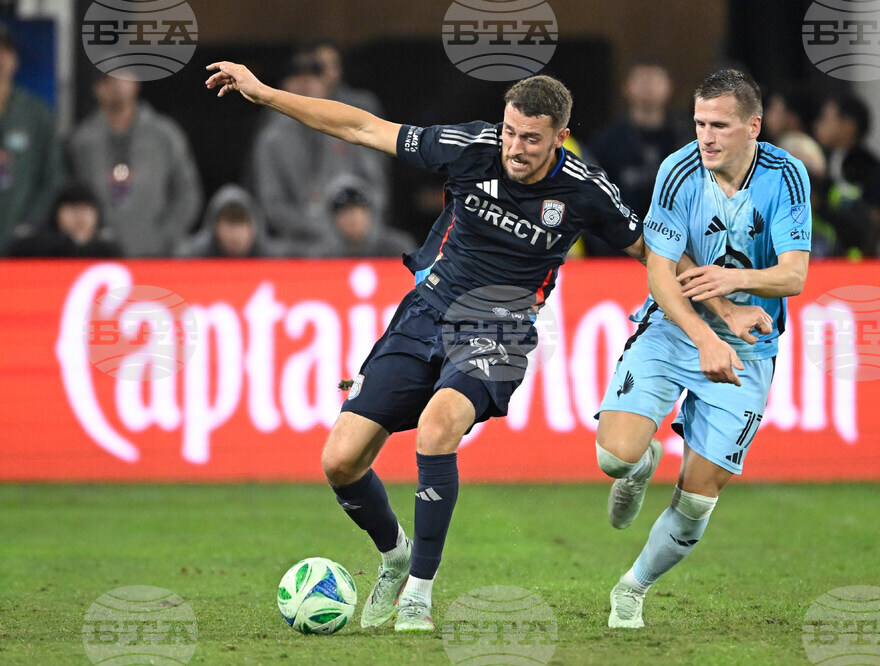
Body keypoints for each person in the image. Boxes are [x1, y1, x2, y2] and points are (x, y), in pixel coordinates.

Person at [207, 60, 771, 633]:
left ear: (559, 137)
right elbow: (362, 127)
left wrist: (722, 308)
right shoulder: (468, 148)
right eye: (509, 131)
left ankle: (418, 595)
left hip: (499, 327)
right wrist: (265, 93)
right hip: (426, 311)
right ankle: (395, 553)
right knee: (340, 461)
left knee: (437, 426)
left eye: (531, 138)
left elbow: (657, 253)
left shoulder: (583, 189)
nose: (515, 147)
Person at [595, 69, 810, 629]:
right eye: (698, 123)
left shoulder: (787, 177)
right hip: (676, 327)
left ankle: (632, 587)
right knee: (612, 457)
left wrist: (736, 287)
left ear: (753, 127)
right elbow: (660, 275)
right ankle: (640, 464)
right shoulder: (678, 170)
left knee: (696, 502)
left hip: (751, 351)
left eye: (719, 125)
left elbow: (793, 277)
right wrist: (708, 333)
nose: (706, 137)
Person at [251, 52, 388, 248]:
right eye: (300, 78)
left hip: (353, 239)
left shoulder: (347, 126)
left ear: (326, 83)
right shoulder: (272, 139)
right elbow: (272, 204)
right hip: (295, 244)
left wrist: (359, 224)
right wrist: (319, 229)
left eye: (315, 77)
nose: (308, 84)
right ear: (287, 86)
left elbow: (376, 187)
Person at [68, 74, 203, 257]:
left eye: (122, 75)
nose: (115, 85)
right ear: (95, 88)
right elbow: (70, 197)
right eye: (106, 79)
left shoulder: (164, 135)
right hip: (98, 255)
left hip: (157, 256)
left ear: (136, 82)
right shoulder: (82, 141)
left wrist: (165, 237)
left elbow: (188, 193)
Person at [587, 60, 688, 256]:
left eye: (655, 80)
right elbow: (594, 199)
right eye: (641, 80)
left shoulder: (687, 138)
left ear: (669, 87)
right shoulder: (606, 141)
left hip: (678, 248)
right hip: (617, 251)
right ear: (626, 87)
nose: (648, 87)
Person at [0, 24, 63, 247]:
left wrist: (31, 224)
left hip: (23, 241)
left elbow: (53, 175)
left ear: (15, 59)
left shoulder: (35, 112)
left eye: (4, 51)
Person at [812, 93, 880, 257]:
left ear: (848, 126)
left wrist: (820, 207)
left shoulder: (872, 169)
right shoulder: (826, 164)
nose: (819, 124)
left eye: (826, 118)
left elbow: (872, 231)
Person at [6, 181, 122, 258]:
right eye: (73, 209)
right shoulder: (34, 242)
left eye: (85, 210)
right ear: (57, 213)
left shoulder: (106, 243)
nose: (79, 217)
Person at [308, 176, 414, 258]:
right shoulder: (325, 257)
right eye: (345, 214)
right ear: (334, 220)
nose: (353, 219)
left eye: (357, 212)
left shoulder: (396, 249)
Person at [174, 184, 284, 258]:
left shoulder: (276, 258)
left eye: (240, 223)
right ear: (215, 228)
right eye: (230, 224)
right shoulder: (189, 258)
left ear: (254, 228)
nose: (235, 234)